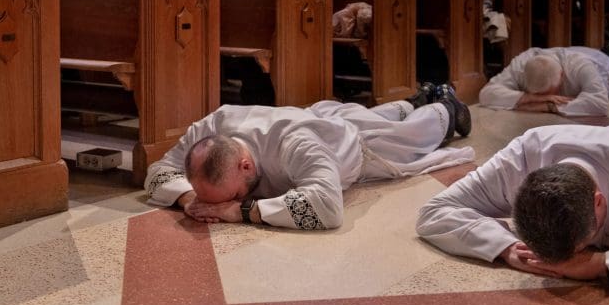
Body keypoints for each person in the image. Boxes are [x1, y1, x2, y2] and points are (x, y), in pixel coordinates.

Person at [416, 118, 609, 302]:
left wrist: (603, 263)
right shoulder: (522, 157)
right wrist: (506, 247)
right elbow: (436, 210)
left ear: (598, 203)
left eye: (583, 245)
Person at [145, 92, 474, 230]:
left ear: (246, 165)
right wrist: (189, 198)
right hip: (317, 119)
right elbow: (158, 169)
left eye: (234, 194)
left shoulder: (295, 146)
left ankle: (448, 104)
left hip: (356, 147)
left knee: (418, 134)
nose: (235, 200)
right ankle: (414, 99)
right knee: (376, 115)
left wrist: (240, 211)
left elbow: (328, 208)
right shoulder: (209, 129)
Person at [478, 46, 609, 116]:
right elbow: (487, 93)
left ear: (562, 76)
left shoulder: (579, 65)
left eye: (551, 93)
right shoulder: (521, 65)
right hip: (572, 52)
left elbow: (599, 103)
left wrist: (550, 107)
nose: (549, 97)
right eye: (541, 95)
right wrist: (530, 98)